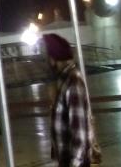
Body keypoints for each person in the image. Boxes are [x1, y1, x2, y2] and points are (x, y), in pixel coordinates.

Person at [43, 33, 95, 167]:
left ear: (54, 58)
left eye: (48, 57)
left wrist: (75, 162)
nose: (47, 62)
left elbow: (79, 133)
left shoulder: (73, 82)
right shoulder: (64, 81)